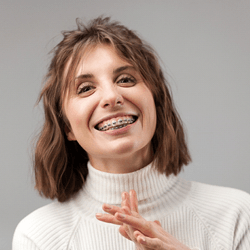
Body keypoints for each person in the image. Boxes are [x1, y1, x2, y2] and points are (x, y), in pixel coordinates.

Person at [13, 17, 250, 250]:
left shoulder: (236, 215)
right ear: (66, 127)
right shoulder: (38, 237)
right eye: (85, 89)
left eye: (125, 79)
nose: (111, 97)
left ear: (155, 102)